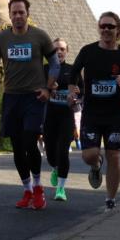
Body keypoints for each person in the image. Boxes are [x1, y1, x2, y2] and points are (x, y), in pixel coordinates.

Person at [0, 0, 60, 210]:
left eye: (21, 12)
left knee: (29, 140)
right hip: (11, 97)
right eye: (14, 13)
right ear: (9, 15)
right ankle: (27, 190)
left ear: (28, 14)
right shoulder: (1, 39)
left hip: (34, 96)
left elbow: (54, 64)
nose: (18, 16)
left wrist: (48, 87)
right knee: (17, 148)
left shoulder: (40, 36)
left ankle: (37, 187)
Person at [67, 12, 120, 211]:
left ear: (118, 30)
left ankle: (110, 199)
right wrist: (72, 89)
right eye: (103, 26)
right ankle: (96, 164)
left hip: (115, 115)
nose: (107, 30)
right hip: (92, 113)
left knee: (114, 155)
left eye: (111, 26)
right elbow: (73, 73)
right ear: (99, 28)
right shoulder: (88, 51)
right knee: (89, 155)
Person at [43, 38, 82, 201]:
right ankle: (55, 167)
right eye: (56, 49)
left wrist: (77, 97)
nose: (59, 52)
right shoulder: (44, 69)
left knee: (63, 151)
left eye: (62, 49)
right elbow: (36, 89)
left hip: (66, 116)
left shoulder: (73, 70)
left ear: (67, 52)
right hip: (49, 115)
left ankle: (61, 189)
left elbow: (82, 94)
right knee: (51, 154)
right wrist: (48, 88)